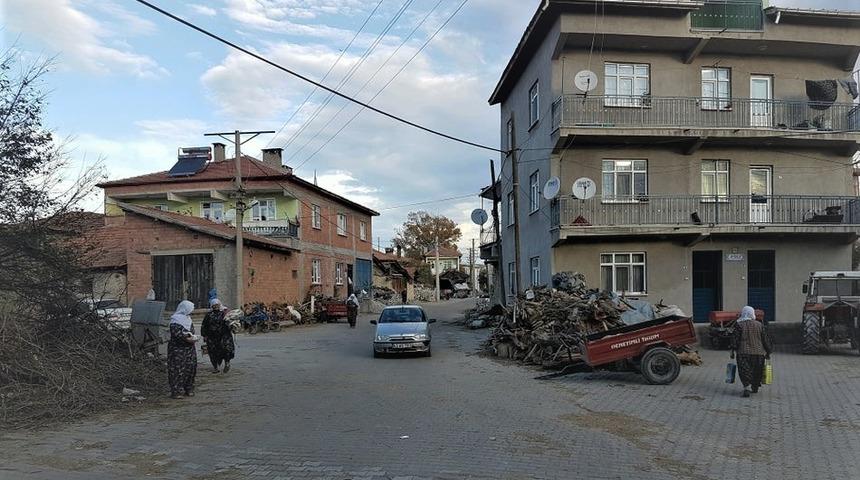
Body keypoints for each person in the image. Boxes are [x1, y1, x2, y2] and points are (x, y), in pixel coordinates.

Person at [731, 306, 772, 397]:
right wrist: (768, 351)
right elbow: (765, 339)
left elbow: (735, 340)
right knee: (757, 370)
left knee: (745, 371)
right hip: (758, 353)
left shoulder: (739, 325)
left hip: (743, 353)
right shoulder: (759, 325)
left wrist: (733, 350)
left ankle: (747, 387)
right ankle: (755, 386)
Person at [168, 300, 198, 399]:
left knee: (190, 368)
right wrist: (186, 338)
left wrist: (193, 338)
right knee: (177, 370)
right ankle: (176, 391)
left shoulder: (188, 319)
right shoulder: (175, 320)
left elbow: (192, 331)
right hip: (178, 350)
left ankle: (189, 389)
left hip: (190, 349)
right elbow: (176, 334)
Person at [201, 298, 235, 374]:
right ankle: (215, 367)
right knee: (213, 352)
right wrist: (204, 335)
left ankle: (227, 363)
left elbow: (230, 322)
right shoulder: (208, 315)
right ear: (211, 306)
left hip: (224, 336)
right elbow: (204, 325)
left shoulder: (224, 313)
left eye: (217, 304)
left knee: (226, 350)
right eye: (214, 305)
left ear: (220, 305)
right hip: (212, 337)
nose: (216, 306)